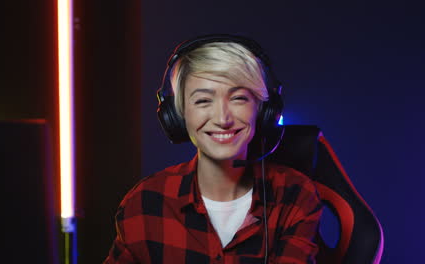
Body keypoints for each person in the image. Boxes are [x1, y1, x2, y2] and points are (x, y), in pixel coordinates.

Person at [104, 34, 323, 264]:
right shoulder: (145, 202)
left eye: (239, 98)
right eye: (203, 101)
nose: (222, 118)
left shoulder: (294, 195)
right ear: (178, 116)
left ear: (262, 110)